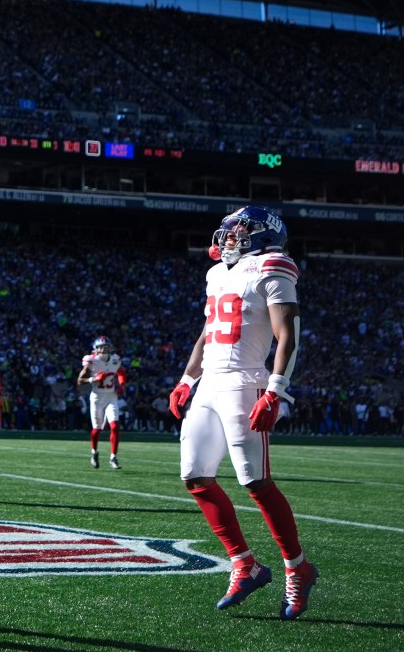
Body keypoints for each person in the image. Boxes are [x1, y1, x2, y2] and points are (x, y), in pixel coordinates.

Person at [168, 206, 318, 620]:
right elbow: (207, 332)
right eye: (229, 231)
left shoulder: (273, 265)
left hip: (246, 381)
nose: (229, 236)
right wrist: (186, 378)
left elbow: (288, 334)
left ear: (263, 235)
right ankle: (245, 564)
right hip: (210, 383)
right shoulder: (217, 274)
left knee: (256, 481)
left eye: (239, 230)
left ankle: (297, 567)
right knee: (195, 476)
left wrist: (276, 390)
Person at [76, 336, 127, 469]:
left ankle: (113, 457)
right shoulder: (91, 361)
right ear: (96, 349)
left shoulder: (115, 359)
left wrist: (122, 384)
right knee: (97, 429)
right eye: (101, 347)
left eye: (106, 347)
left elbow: (121, 373)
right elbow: (80, 381)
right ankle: (94, 452)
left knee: (115, 426)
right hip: (97, 397)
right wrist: (94, 379)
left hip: (111, 396)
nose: (103, 350)